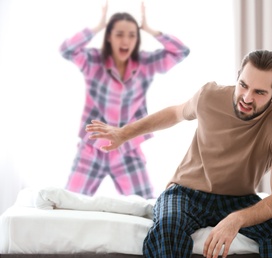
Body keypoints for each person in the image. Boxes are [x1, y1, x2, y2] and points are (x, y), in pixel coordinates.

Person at [85, 50, 272, 258]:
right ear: (237, 78)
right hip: (186, 193)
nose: (246, 98)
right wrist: (124, 133)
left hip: (239, 200)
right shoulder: (210, 96)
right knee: (168, 227)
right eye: (243, 85)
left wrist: (236, 219)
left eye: (259, 92)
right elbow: (175, 113)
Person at [59, 0, 190, 198]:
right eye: (119, 34)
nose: (125, 41)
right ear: (109, 37)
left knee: (146, 207)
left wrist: (149, 29)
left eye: (131, 35)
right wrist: (98, 27)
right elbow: (66, 50)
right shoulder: (93, 60)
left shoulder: (145, 63)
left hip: (127, 148)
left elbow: (181, 51)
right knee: (70, 203)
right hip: (92, 148)